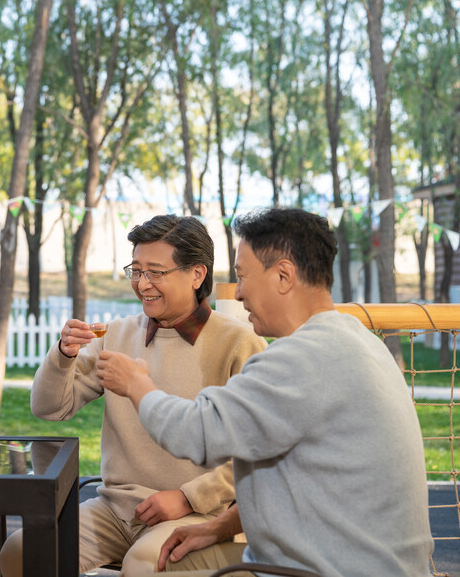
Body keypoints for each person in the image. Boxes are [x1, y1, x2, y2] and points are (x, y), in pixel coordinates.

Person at [103, 207, 434, 577]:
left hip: (327, 569)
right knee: (153, 560)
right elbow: (303, 481)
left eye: (243, 276)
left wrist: (135, 382)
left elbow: (194, 432)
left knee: (147, 569)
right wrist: (219, 526)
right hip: (369, 562)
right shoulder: (359, 341)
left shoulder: (301, 360)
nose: (239, 292)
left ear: (283, 276)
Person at [0, 215, 266, 576]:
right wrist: (63, 354)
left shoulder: (239, 344)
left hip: (195, 513)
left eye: (156, 272)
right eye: (136, 270)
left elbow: (260, 455)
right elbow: (48, 408)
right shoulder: (116, 335)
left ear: (197, 275)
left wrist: (187, 497)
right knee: (20, 550)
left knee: (143, 565)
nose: (143, 284)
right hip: (114, 509)